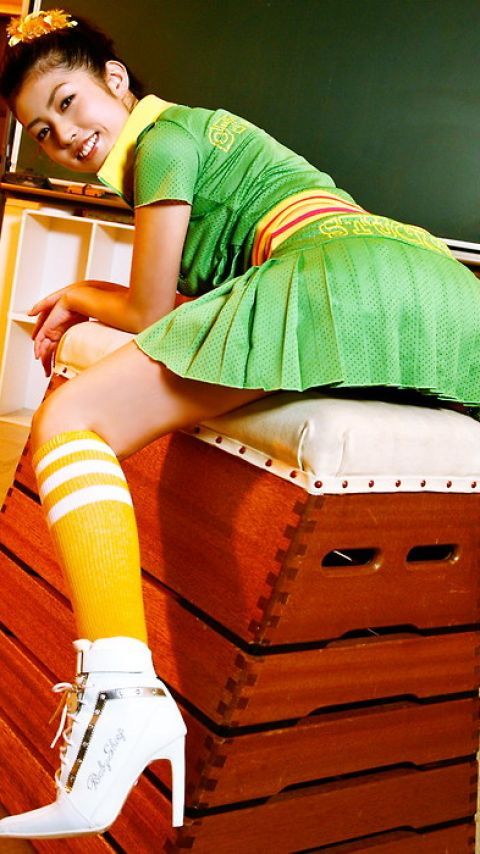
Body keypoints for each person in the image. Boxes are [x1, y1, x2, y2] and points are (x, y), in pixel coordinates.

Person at [0, 7, 479, 841]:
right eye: (41, 131)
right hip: (440, 289)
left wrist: (79, 292)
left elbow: (149, 310)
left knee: (71, 417)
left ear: (116, 80)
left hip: (345, 274)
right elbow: (190, 305)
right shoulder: (189, 136)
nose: (64, 136)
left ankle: (122, 692)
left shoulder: (163, 143)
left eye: (70, 102)